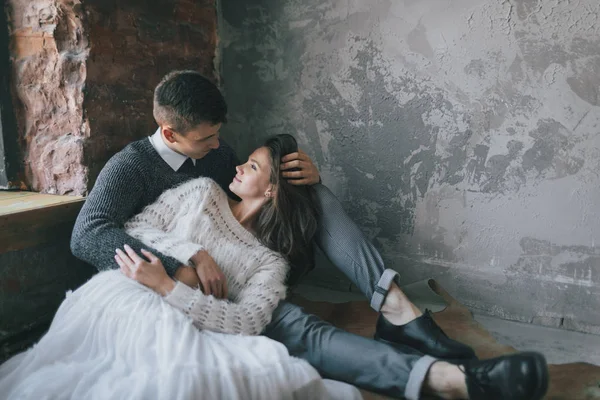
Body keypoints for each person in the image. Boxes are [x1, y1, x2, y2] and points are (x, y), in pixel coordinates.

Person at [68, 70, 549, 400]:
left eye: (221, 137)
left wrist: (304, 179)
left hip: (254, 262)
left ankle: (399, 309)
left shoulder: (213, 164)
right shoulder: (138, 170)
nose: (222, 150)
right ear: (170, 133)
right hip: (166, 281)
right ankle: (440, 374)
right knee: (295, 329)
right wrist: (182, 267)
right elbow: (90, 233)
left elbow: (258, 192)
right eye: (207, 139)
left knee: (311, 195)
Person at [0, 134, 362, 400]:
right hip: (129, 294)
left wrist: (168, 288)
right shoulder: (201, 190)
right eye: (245, 160)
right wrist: (190, 255)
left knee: (179, 380)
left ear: (272, 190)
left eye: (252, 166)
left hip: (182, 312)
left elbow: (248, 321)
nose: (235, 164)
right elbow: (135, 228)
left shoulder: (269, 261)